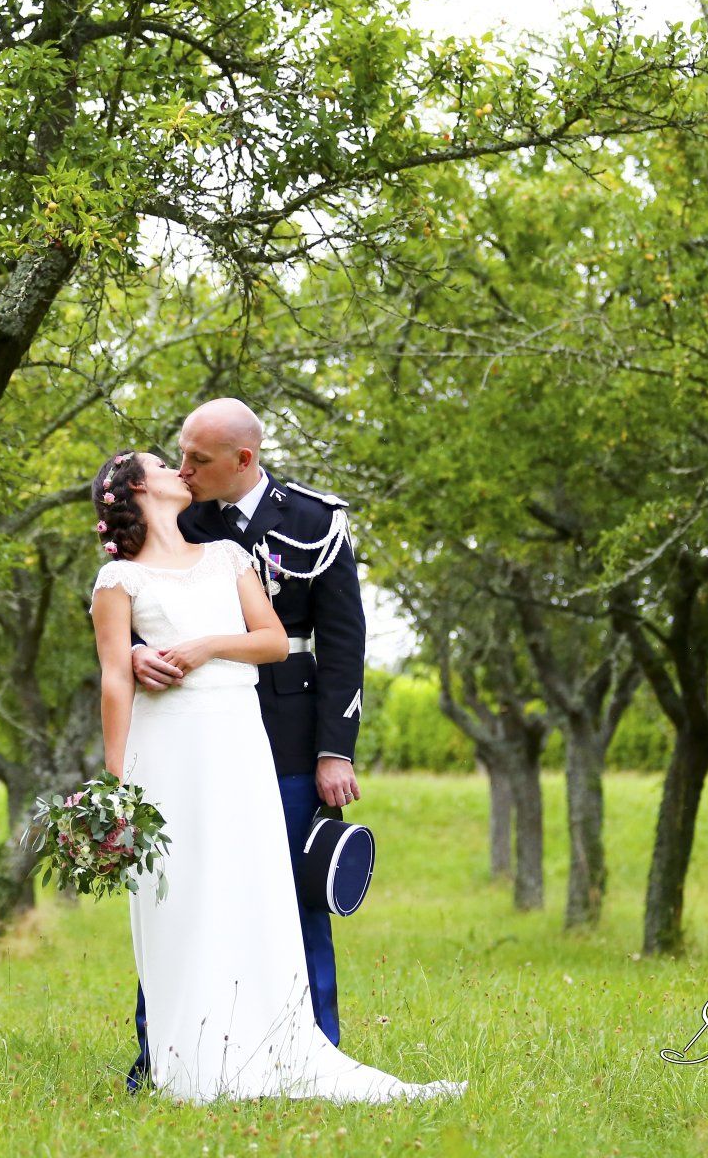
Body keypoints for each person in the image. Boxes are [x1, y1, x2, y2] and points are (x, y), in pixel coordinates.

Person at [88, 443, 465, 1104]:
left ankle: (286, 1044)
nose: (180, 468)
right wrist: (118, 787)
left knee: (259, 891)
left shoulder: (232, 553)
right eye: (163, 462)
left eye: (189, 456)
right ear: (138, 492)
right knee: (178, 895)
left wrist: (207, 649)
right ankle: (175, 1060)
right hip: (168, 747)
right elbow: (115, 679)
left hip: (240, 742)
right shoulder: (118, 580)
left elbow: (284, 640)